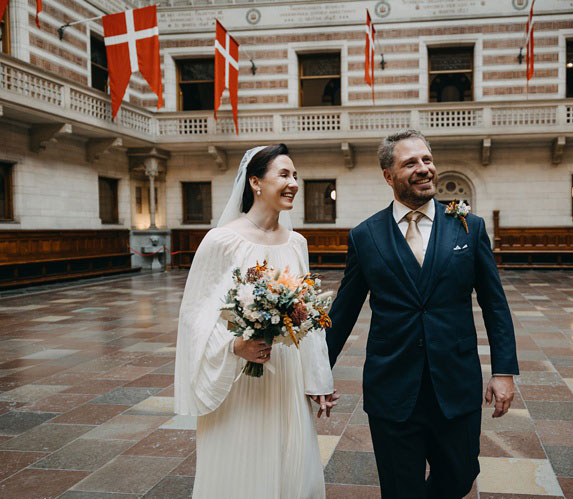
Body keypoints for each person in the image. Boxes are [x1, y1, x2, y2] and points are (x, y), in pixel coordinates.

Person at [326, 129, 519, 498]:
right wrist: (316, 372)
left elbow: (494, 303)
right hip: (392, 389)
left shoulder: (469, 226)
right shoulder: (365, 237)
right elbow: (343, 312)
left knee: (461, 476)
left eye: (427, 159)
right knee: (400, 489)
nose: (423, 168)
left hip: (456, 384)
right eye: (410, 162)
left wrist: (503, 371)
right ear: (388, 175)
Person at [174, 144, 336, 498]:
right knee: (242, 462)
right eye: (283, 174)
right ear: (255, 183)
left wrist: (319, 379)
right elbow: (195, 315)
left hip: (287, 374)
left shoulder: (297, 243)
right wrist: (235, 345)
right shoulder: (222, 241)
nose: (293, 182)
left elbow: (306, 316)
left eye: (295, 175)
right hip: (239, 375)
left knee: (289, 459)